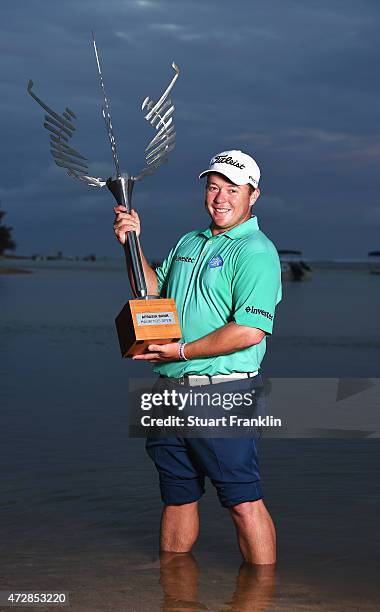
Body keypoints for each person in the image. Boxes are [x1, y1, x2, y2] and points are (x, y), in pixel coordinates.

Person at [113, 150, 282, 565]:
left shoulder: (256, 250)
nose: (220, 197)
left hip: (222, 392)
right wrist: (132, 242)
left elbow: (249, 330)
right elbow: (152, 294)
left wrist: (183, 350)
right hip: (169, 389)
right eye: (213, 187)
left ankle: (262, 599)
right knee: (177, 497)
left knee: (243, 501)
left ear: (253, 195)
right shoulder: (189, 241)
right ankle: (173, 594)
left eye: (232, 189)